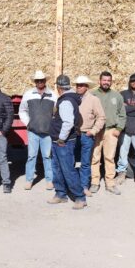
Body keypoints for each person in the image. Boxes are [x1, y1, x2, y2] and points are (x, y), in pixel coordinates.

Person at [47, 75, 86, 210]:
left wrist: (62, 138)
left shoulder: (65, 101)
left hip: (63, 142)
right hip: (59, 140)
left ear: (58, 87)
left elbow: (68, 122)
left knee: (68, 169)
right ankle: (60, 194)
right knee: (57, 168)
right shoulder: (69, 99)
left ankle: (80, 197)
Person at [18, 70, 58, 190]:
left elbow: (56, 113)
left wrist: (52, 124)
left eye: (42, 80)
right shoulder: (28, 94)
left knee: (47, 156)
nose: (40, 82)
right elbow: (22, 110)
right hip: (33, 132)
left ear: (45, 81)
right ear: (35, 82)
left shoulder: (53, 95)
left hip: (47, 132)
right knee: (31, 156)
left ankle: (49, 180)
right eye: (37, 80)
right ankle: (29, 180)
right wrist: (28, 123)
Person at [90, 72, 127, 195]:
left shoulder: (117, 96)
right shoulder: (92, 94)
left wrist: (119, 129)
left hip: (111, 131)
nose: (106, 82)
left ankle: (110, 184)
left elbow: (122, 114)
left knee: (109, 158)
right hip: (96, 131)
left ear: (111, 82)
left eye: (108, 80)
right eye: (104, 80)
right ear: (99, 81)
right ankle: (95, 182)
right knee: (95, 157)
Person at [74, 75, 106, 196]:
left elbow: (101, 117)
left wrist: (93, 131)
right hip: (73, 134)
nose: (79, 87)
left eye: (81, 85)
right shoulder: (73, 98)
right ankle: (73, 185)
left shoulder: (94, 100)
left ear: (87, 87)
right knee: (71, 161)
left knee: (85, 162)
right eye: (77, 85)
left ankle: (84, 186)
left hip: (86, 134)